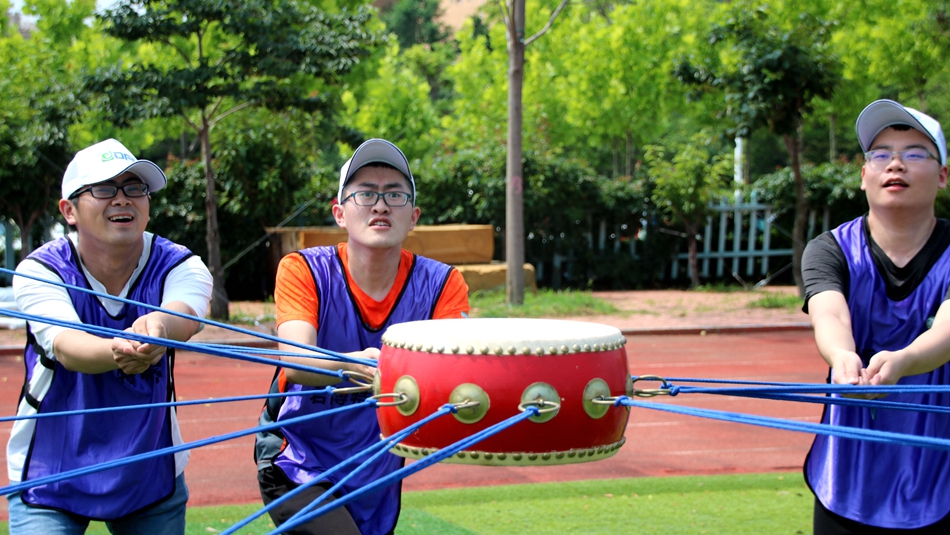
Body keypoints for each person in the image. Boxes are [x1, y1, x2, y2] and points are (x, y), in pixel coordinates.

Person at [254, 138, 470, 535]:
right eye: (366, 193)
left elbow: (455, 373)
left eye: (395, 195)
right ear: (339, 213)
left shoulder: (443, 285)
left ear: (414, 216)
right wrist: (362, 366)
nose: (381, 205)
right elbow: (297, 362)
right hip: (296, 458)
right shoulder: (303, 270)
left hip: (377, 471)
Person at [7, 139, 213, 534]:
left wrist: (158, 329)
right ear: (69, 210)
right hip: (51, 470)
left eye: (135, 188)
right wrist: (120, 349)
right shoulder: (40, 270)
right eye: (104, 189)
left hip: (149, 470)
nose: (122, 199)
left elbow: (183, 317)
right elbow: (67, 346)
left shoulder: (182, 265)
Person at [802, 99, 950, 534]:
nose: (895, 164)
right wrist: (841, 357)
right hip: (845, 479)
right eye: (881, 154)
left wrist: (903, 361)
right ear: (864, 174)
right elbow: (829, 314)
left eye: (915, 154)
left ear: (943, 175)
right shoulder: (829, 249)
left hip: (941, 475)